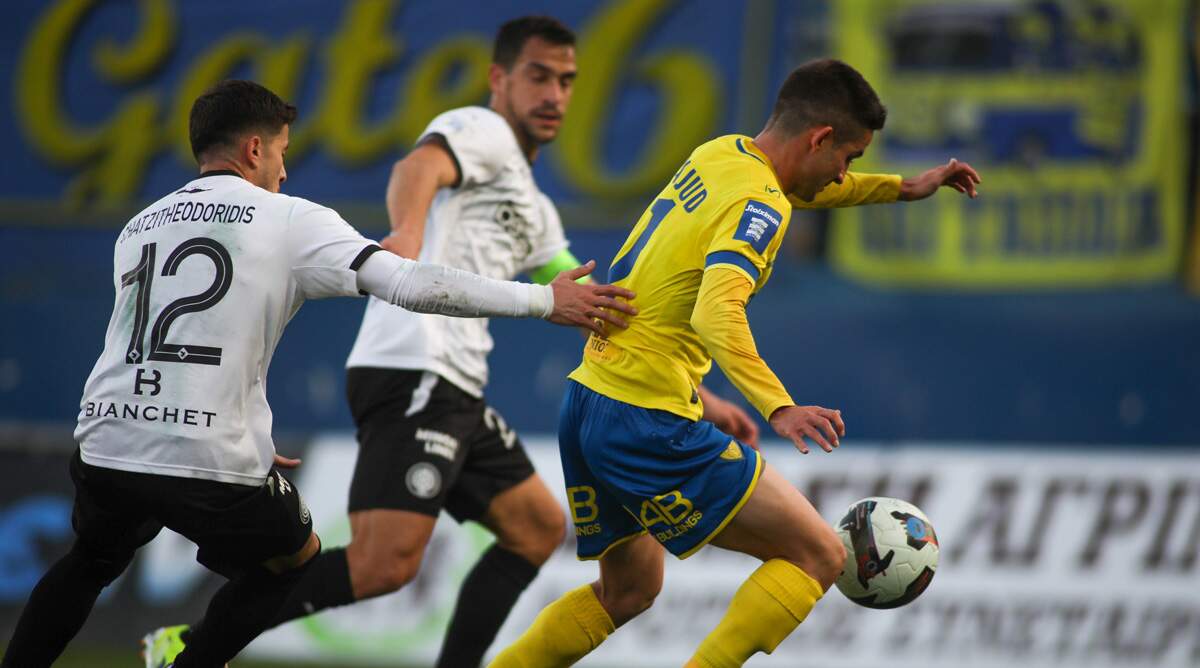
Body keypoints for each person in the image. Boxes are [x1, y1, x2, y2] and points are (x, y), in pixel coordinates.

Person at [0, 78, 635, 668]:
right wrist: (543, 300)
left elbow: (167, 346)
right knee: (294, 562)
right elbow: (410, 285)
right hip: (208, 455)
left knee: (89, 561)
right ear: (254, 149)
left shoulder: (139, 225)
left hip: (108, 438)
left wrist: (243, 429)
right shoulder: (291, 219)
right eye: (280, 152)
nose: (284, 169)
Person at [488, 58, 980, 668]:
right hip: (645, 419)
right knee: (819, 555)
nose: (843, 174)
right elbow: (716, 312)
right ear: (820, 138)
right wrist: (780, 406)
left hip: (591, 398)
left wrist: (901, 188)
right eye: (848, 158)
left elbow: (801, 189)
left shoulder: (722, 154)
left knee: (628, 591)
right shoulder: (762, 203)